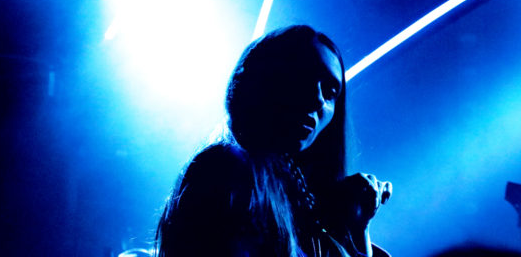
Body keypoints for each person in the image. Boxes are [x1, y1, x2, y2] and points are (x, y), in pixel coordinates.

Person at [155, 25, 392, 257]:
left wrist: (358, 227)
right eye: (303, 76)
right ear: (267, 76)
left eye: (330, 92)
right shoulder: (226, 167)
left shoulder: (301, 202)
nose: (318, 99)